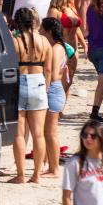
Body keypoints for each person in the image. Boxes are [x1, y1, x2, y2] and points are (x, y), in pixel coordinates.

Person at [8, 7, 51, 184]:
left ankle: (20, 174)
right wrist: (45, 88)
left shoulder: (14, 41)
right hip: (38, 81)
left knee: (19, 134)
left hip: (20, 82)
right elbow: (48, 68)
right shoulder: (44, 41)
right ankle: (37, 175)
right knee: (38, 134)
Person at [39, 17, 70, 178]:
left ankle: (54, 168)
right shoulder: (56, 46)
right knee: (47, 132)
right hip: (54, 90)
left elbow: (51, 70)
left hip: (53, 90)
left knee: (51, 133)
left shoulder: (57, 48)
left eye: (42, 30)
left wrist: (45, 88)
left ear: (49, 31)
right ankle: (49, 165)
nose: (40, 32)